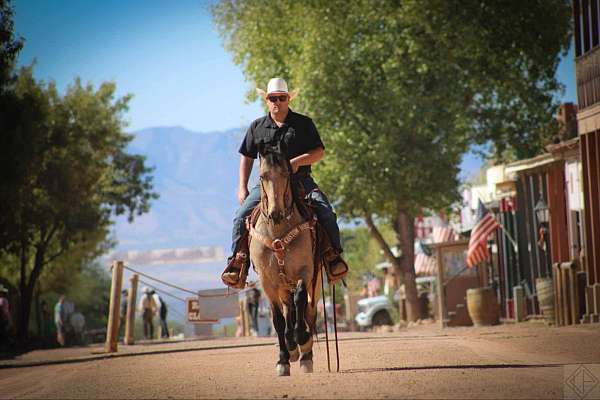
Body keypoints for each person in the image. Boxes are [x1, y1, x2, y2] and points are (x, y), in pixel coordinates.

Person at [221, 77, 348, 288]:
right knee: (241, 216)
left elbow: (319, 152)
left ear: (288, 99)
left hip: (300, 181)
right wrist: (242, 185)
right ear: (267, 100)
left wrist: (297, 162)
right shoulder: (257, 127)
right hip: (268, 186)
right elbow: (247, 156)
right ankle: (238, 260)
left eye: (281, 98)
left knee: (326, 211)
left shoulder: (303, 124)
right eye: (272, 98)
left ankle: (332, 256)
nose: (276, 102)